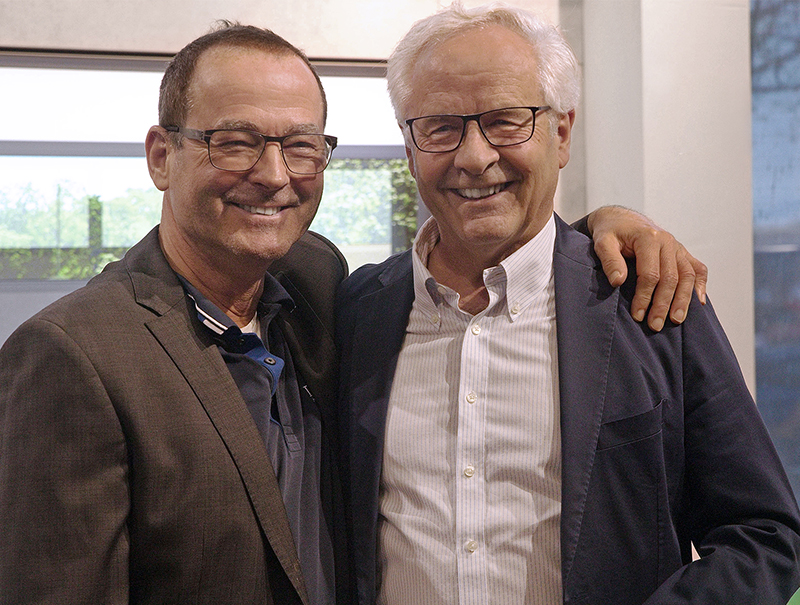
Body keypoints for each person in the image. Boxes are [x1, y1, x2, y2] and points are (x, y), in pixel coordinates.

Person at [0, 19, 702, 605]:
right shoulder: (73, 354)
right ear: (162, 156)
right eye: (235, 141)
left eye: (300, 144)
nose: (274, 174)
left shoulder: (321, 290)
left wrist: (604, 226)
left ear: (560, 134)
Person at [335, 4, 800, 605]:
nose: (474, 157)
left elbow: (763, 534)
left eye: (507, 122)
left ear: (561, 134)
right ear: (409, 146)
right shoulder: (353, 313)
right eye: (440, 127)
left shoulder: (649, 300)